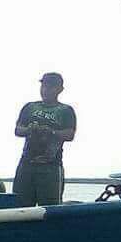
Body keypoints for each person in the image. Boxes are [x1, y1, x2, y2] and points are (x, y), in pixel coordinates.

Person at [13, 72, 76, 206]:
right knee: (19, 204)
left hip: (51, 167)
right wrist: (29, 129)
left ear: (60, 89)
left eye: (51, 87)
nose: (46, 90)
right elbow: (18, 130)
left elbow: (70, 134)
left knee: (50, 205)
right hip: (26, 164)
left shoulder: (66, 110)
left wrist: (51, 132)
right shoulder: (30, 107)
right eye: (44, 86)